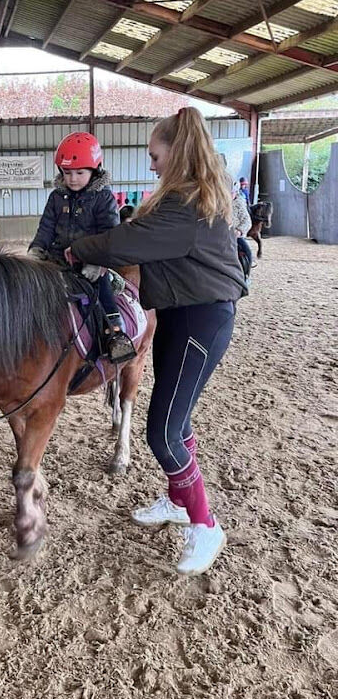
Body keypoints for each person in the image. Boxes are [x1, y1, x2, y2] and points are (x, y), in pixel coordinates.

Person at [68, 107, 246, 576]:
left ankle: (205, 524)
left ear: (176, 151)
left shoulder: (185, 204)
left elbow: (126, 243)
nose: (151, 164)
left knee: (162, 432)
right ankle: (178, 501)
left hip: (201, 320)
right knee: (176, 419)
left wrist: (77, 249)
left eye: (154, 154)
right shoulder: (185, 198)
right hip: (179, 314)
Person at [29, 131, 136, 364]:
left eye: (79, 172)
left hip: (91, 262)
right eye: (67, 173)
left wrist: (98, 263)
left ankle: (116, 334)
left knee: (103, 291)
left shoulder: (103, 198)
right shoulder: (56, 197)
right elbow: (46, 228)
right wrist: (36, 250)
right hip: (56, 261)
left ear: (94, 171)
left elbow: (109, 235)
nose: (73, 178)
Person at [232, 181, 253, 280]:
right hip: (220, 234)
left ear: (235, 193)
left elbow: (246, 221)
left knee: (247, 251)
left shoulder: (239, 204)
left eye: (231, 193)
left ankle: (246, 276)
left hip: (235, 235)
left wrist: (239, 231)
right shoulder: (217, 203)